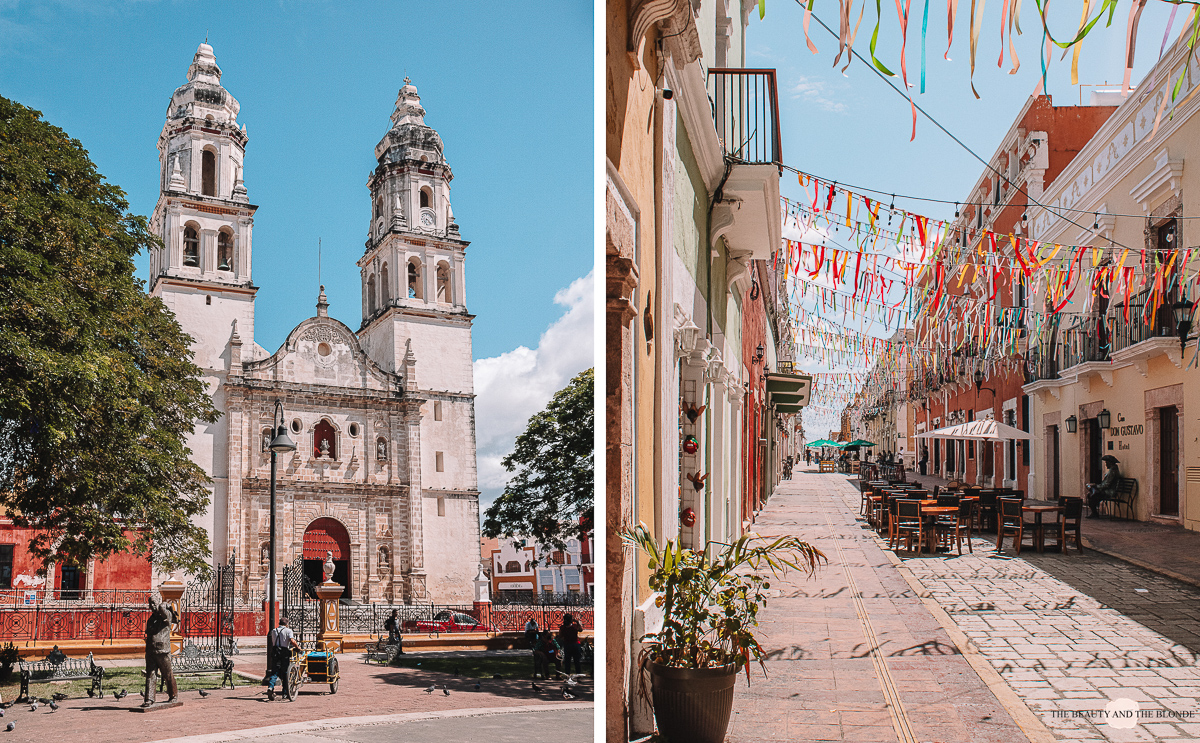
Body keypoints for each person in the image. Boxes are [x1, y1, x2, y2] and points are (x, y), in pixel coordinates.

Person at [143, 594, 178, 707]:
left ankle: (173, 695)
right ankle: (149, 699)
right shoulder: (151, 619)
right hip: (151, 650)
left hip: (163, 650)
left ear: (158, 603)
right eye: (150, 604)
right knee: (150, 674)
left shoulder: (166, 614)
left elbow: (163, 611)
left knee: (167, 673)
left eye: (154, 603)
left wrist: (164, 605)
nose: (152, 606)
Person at [267, 614, 301, 700]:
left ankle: (270, 687)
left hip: (275, 652)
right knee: (285, 672)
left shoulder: (274, 631)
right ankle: (285, 692)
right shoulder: (288, 631)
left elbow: (273, 641)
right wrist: (297, 647)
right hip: (284, 652)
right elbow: (292, 641)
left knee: (274, 672)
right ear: (287, 624)